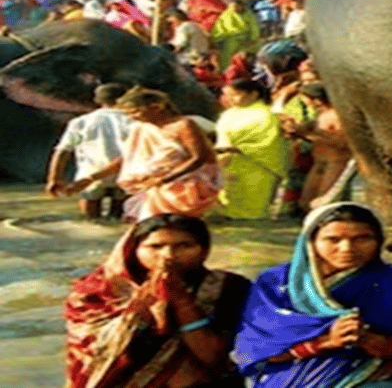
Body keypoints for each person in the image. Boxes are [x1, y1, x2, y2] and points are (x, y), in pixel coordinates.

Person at [233, 203, 392, 387]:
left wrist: (375, 342)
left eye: (363, 238)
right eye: (333, 239)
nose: (347, 248)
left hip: (374, 380)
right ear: (310, 241)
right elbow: (254, 350)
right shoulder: (276, 282)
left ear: (380, 240)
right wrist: (326, 342)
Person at [63, 214, 250, 388]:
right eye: (155, 247)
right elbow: (94, 360)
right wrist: (137, 316)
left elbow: (215, 358)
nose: (168, 255)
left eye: (184, 246)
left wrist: (181, 301)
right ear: (132, 250)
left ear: (204, 251)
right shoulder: (96, 293)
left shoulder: (228, 286)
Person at [65, 87, 222, 222]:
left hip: (185, 189)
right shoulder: (140, 128)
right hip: (152, 188)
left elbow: (199, 158)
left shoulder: (183, 125)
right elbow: (126, 159)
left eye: (135, 112)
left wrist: (162, 180)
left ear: (157, 107)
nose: (132, 117)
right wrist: (90, 179)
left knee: (178, 226)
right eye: (128, 114)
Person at [46, 83, 132, 220]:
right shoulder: (135, 120)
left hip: (89, 176)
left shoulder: (81, 121)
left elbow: (62, 151)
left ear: (97, 100)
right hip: (125, 174)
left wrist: (54, 179)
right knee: (120, 219)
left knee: (88, 220)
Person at [215, 78, 291, 220]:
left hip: (256, 165)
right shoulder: (229, 113)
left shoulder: (266, 115)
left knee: (251, 204)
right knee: (228, 199)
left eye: (235, 95)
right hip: (228, 163)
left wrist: (237, 149)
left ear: (253, 94)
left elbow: (269, 143)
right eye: (228, 95)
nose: (230, 99)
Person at [282, 82, 355, 212]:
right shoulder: (321, 115)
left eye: (304, 97)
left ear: (315, 99)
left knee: (325, 202)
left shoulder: (337, 115)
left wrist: (307, 135)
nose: (302, 100)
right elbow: (308, 129)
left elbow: (342, 144)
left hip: (336, 162)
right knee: (306, 202)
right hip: (319, 162)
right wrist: (293, 128)